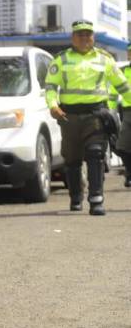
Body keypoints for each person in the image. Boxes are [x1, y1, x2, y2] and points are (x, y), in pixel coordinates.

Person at [45, 20, 131, 215]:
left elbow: (123, 86)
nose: (84, 38)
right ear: (72, 38)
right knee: (72, 159)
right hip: (70, 117)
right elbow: (50, 88)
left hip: (96, 115)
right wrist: (53, 105)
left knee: (95, 154)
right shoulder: (61, 60)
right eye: (80, 34)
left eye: (88, 34)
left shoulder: (105, 59)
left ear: (93, 37)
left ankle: (96, 200)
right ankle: (76, 197)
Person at [114, 45, 131, 187]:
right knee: (121, 147)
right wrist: (110, 110)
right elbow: (113, 92)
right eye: (130, 52)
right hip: (127, 112)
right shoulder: (123, 71)